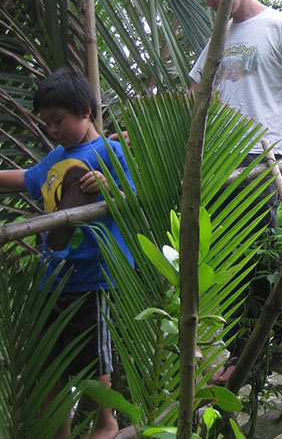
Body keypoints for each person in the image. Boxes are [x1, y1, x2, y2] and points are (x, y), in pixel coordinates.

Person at [183, 0, 282, 385]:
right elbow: (194, 95)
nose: (210, 3)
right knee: (227, 252)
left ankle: (251, 347)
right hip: (218, 157)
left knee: (252, 248)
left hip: (262, 154)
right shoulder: (219, 36)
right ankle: (279, 329)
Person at [0, 68, 134, 439]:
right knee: (50, 361)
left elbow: (135, 199)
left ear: (86, 111)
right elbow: (26, 179)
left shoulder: (110, 152)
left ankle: (106, 423)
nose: (52, 129)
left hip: (93, 274)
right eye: (47, 123)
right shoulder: (56, 157)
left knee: (94, 358)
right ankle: (60, 431)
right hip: (53, 276)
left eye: (58, 120)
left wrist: (108, 187)